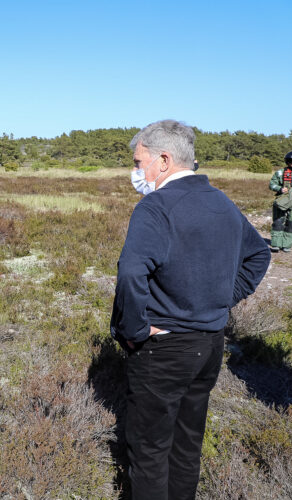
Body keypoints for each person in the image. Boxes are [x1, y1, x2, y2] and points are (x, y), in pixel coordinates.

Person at [110, 120, 270, 500]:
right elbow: (259, 254)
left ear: (163, 160)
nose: (135, 172)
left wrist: (133, 332)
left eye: (138, 162)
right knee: (187, 444)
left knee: (149, 452)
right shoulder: (222, 201)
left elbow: (131, 272)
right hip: (210, 345)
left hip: (162, 348)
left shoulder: (155, 207)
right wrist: (217, 301)